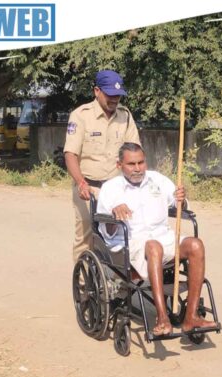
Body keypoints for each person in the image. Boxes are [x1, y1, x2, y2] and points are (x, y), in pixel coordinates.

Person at [97, 142, 217, 336]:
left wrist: (181, 199)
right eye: (131, 164)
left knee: (196, 245)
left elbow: (180, 205)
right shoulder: (110, 189)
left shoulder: (158, 180)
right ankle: (162, 318)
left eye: (141, 162)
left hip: (163, 236)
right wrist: (114, 214)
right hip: (131, 242)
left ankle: (191, 317)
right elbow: (105, 231)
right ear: (119, 165)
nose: (137, 168)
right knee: (153, 246)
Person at [64, 70, 141, 262]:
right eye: (110, 94)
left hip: (116, 187)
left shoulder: (125, 116)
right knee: (86, 236)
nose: (114, 99)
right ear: (97, 91)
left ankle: (115, 275)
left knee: (123, 232)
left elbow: (134, 150)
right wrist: (81, 183)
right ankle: (83, 277)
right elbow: (70, 154)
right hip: (88, 187)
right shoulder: (81, 116)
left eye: (118, 95)